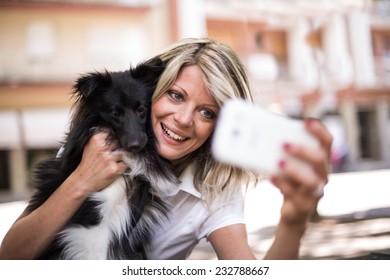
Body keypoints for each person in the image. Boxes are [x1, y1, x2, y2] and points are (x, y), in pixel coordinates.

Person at [0, 37, 332, 260]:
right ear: (150, 92)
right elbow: (10, 257)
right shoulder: (97, 143)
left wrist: (294, 219)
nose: (184, 119)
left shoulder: (213, 191)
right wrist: (81, 181)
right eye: (175, 95)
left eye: (207, 112)